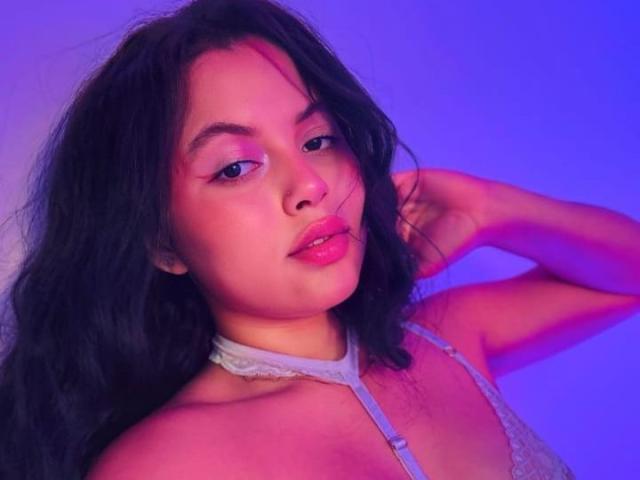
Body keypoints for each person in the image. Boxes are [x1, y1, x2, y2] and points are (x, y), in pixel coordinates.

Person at [0, 0, 638, 478]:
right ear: (162, 243)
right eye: (236, 167)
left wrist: (490, 207)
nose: (310, 185)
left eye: (318, 140)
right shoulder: (162, 466)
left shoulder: (449, 337)